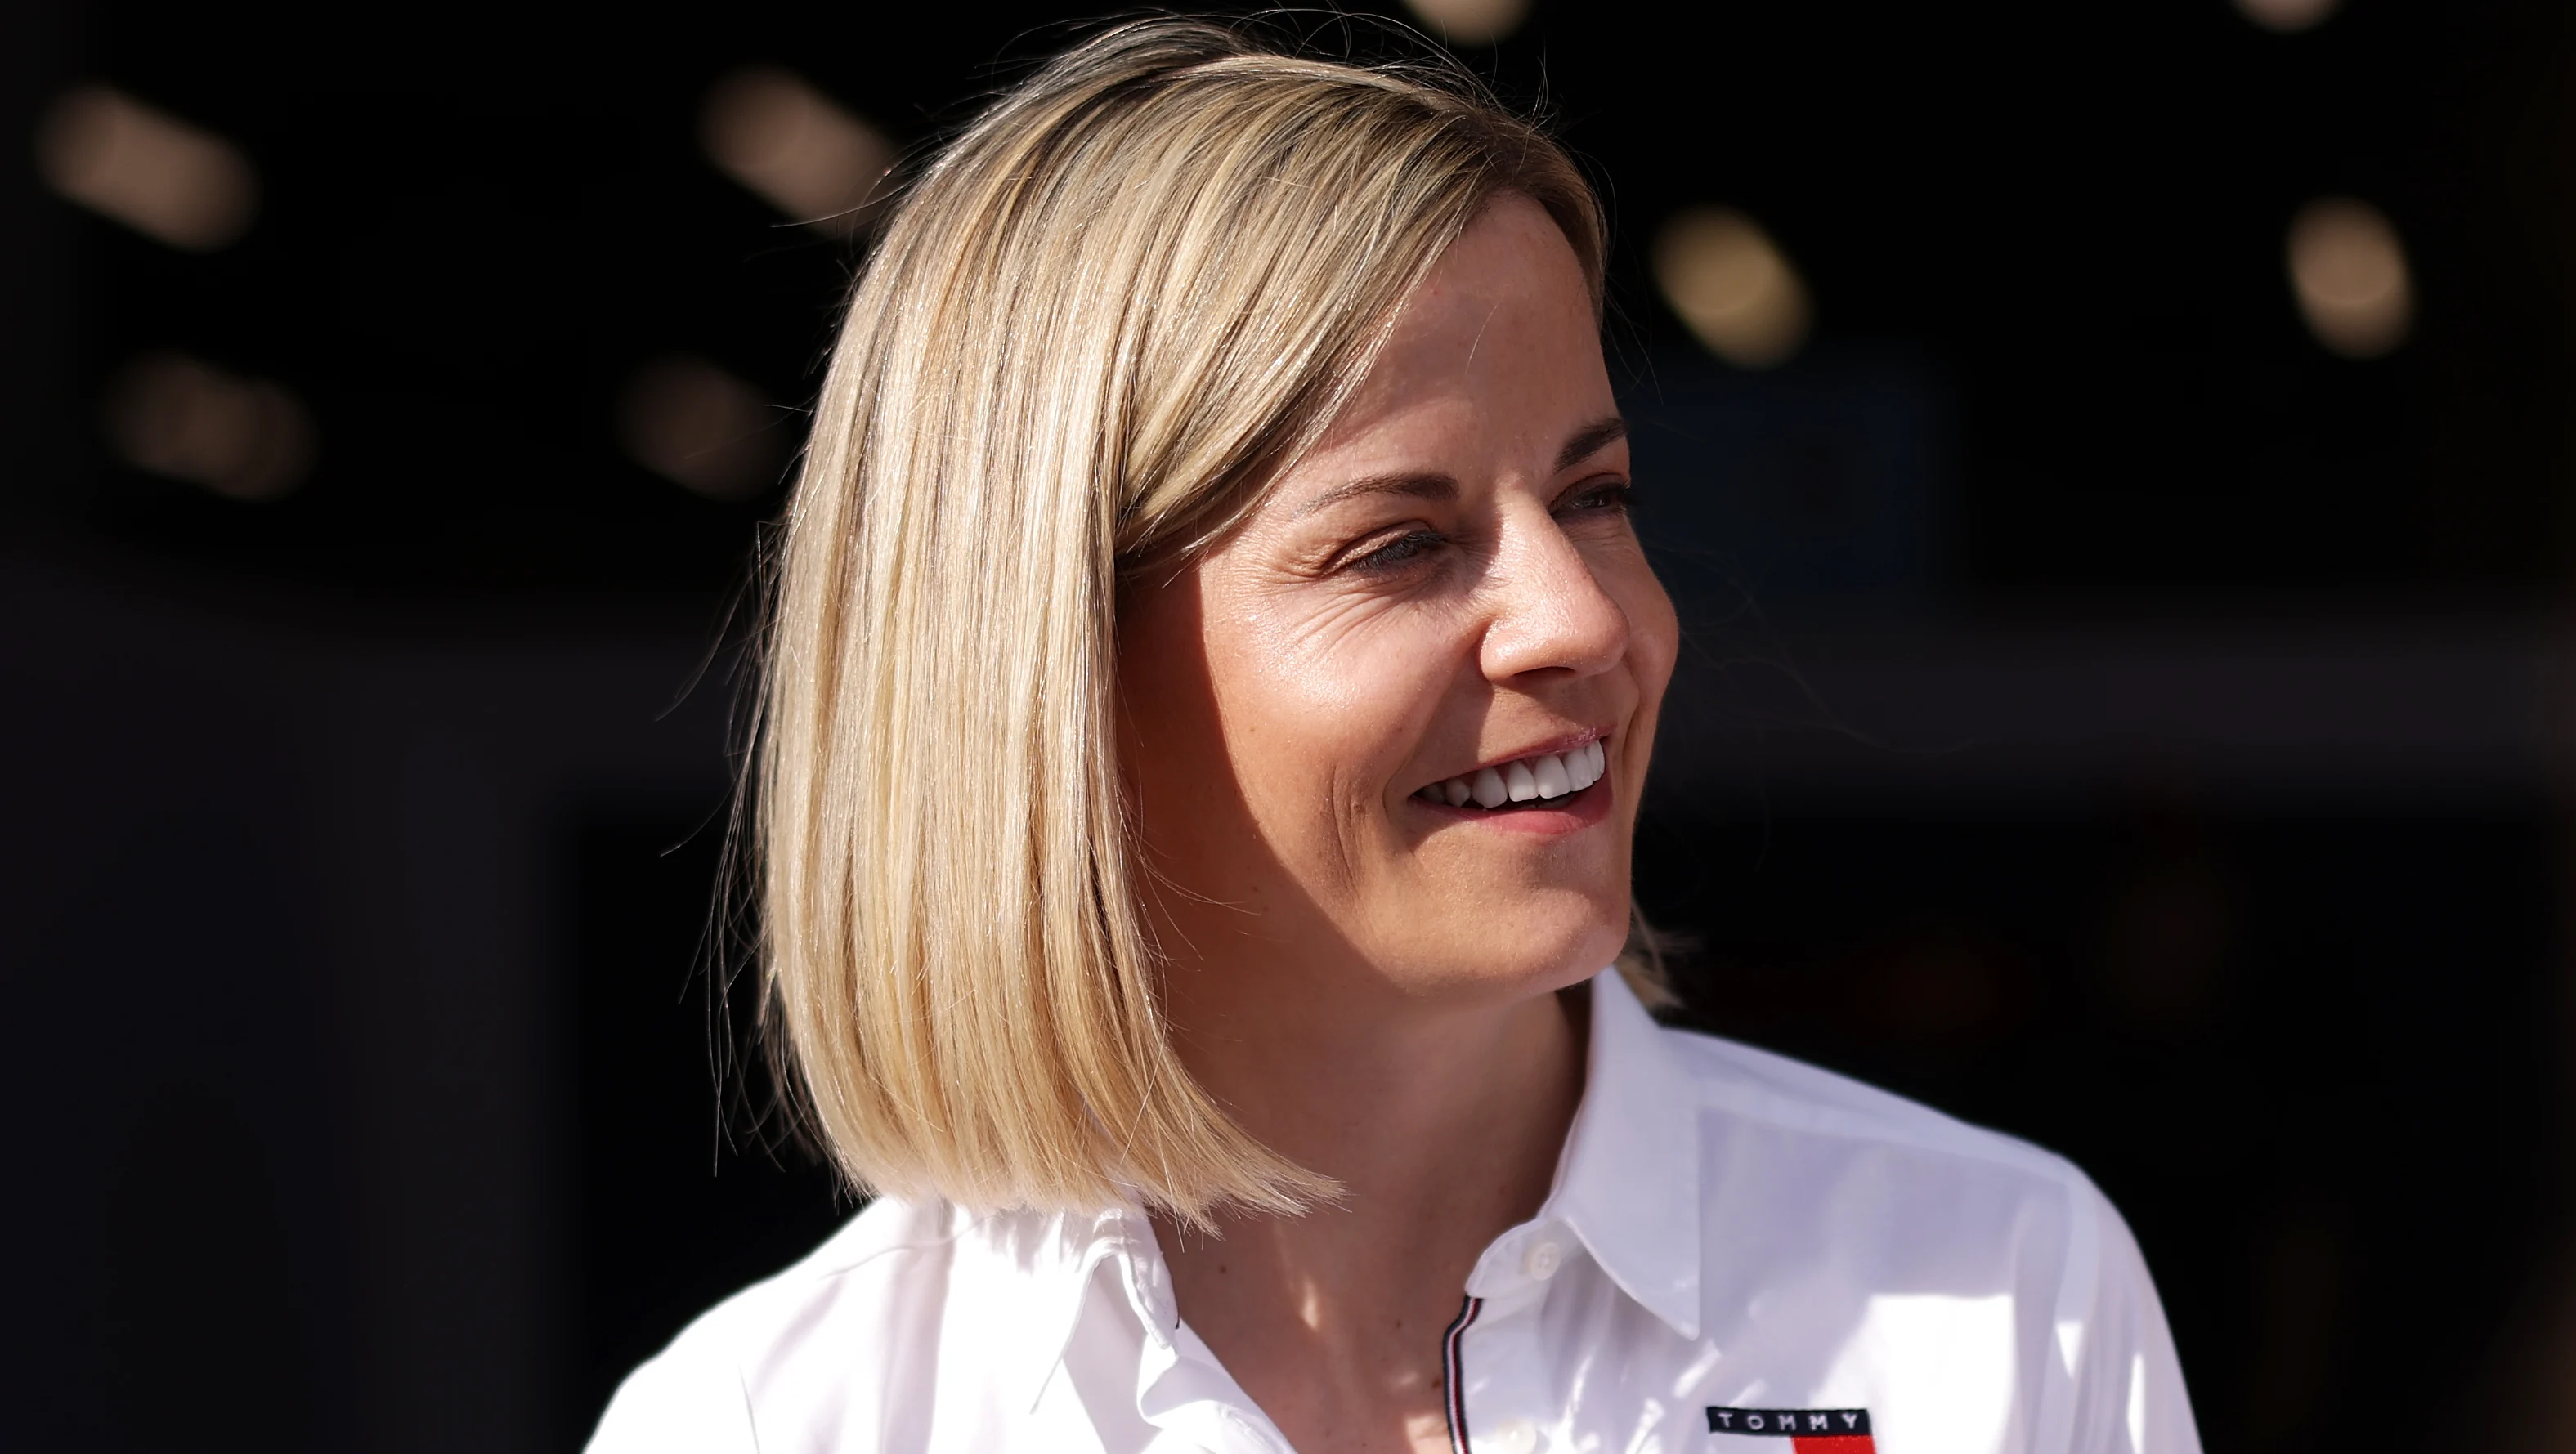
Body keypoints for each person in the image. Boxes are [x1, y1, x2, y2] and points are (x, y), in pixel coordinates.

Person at [589, 19, 2200, 1454]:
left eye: (1595, 495)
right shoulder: (775, 1421)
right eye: (1400, 544)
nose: (1582, 618)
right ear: (1047, 666)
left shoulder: (1996, 1297)